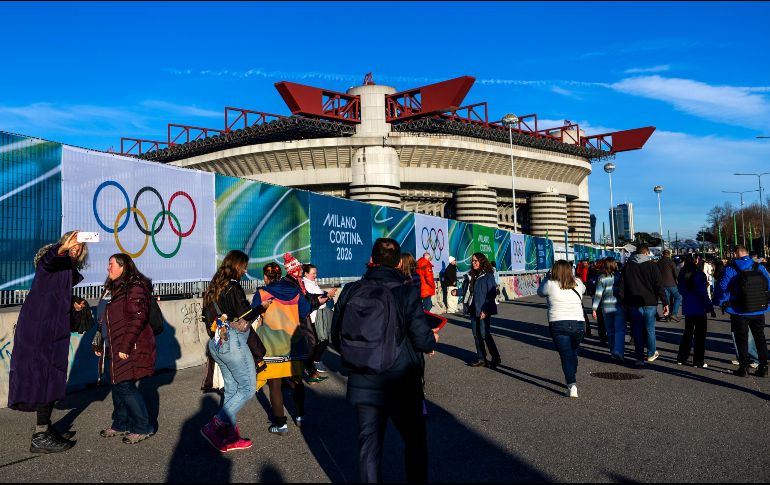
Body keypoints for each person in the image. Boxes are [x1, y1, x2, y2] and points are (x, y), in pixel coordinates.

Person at [331, 238, 438, 483]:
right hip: (401, 382)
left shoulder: (351, 289)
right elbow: (422, 340)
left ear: (372, 260)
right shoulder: (406, 291)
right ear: (400, 263)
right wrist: (431, 339)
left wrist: (360, 355)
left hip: (363, 380)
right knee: (414, 442)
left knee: (369, 447)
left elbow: (336, 338)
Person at [8, 230, 88, 453]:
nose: (77, 248)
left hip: (51, 330)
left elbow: (52, 296)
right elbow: (48, 261)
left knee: (51, 377)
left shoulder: (66, 271)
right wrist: (61, 249)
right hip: (39, 332)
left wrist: (72, 303)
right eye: (73, 244)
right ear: (63, 244)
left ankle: (45, 427)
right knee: (45, 378)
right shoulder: (52, 262)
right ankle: (40, 435)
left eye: (80, 247)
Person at [199, 250, 269, 452]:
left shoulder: (214, 288)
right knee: (248, 387)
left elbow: (208, 319)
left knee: (231, 389)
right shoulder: (233, 287)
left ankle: (230, 437)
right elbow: (244, 316)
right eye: (244, 266)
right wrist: (261, 307)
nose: (246, 270)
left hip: (217, 343)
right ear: (237, 265)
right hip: (233, 342)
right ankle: (214, 426)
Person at [96, 253, 156, 445]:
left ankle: (142, 427)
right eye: (108, 264)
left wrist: (126, 345)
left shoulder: (134, 288)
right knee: (117, 385)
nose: (108, 268)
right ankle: (120, 423)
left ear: (124, 267)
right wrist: (98, 340)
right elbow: (103, 318)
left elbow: (138, 318)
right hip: (112, 344)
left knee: (125, 386)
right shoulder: (113, 289)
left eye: (111, 264)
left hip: (127, 346)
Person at [253, 260, 311, 434]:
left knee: (275, 385)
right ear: (280, 275)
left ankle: (280, 424)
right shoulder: (295, 292)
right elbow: (305, 311)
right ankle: (300, 416)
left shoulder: (262, 293)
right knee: (297, 381)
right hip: (294, 343)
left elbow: (252, 312)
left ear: (265, 276)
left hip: (271, 345)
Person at [713, 245, 769, 377]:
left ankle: (743, 368)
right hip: (758, 309)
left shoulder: (731, 269)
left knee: (741, 339)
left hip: (739, 310)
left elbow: (722, 289)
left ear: (735, 254)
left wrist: (722, 303)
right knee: (760, 338)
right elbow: (768, 284)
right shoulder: (759, 267)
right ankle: (763, 367)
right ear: (747, 254)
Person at [538, 260, 587, 398]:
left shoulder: (550, 284)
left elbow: (540, 292)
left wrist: (547, 277)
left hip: (558, 322)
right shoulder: (577, 282)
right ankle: (572, 373)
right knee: (573, 352)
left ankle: (572, 385)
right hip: (578, 323)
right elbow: (583, 290)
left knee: (566, 356)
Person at [279, 253, 329, 384]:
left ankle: (309, 373)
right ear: (293, 270)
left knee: (308, 345)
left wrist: (317, 299)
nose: (300, 270)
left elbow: (306, 297)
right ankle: (295, 377)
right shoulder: (288, 283)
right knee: (303, 346)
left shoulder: (297, 281)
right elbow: (299, 301)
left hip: (302, 317)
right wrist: (317, 301)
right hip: (295, 320)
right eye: (298, 268)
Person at [617, 244, 670, 367]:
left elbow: (621, 288)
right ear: (646, 253)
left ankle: (639, 358)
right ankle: (651, 353)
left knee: (637, 331)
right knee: (650, 328)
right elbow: (659, 285)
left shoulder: (628, 267)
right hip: (650, 302)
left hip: (633, 303)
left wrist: (624, 302)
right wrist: (665, 303)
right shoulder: (652, 266)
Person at [461, 253, 501, 369]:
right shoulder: (470, 276)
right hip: (473, 309)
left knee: (484, 334)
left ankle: (495, 357)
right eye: (472, 261)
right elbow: (466, 290)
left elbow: (491, 293)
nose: (473, 263)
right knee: (476, 335)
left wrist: (485, 310)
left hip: (483, 309)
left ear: (481, 261)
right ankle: (481, 359)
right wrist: (456, 292)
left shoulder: (488, 276)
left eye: (476, 261)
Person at [676, 254, 715, 368]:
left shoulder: (682, 274)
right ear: (696, 261)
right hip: (700, 308)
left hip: (688, 307)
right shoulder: (699, 274)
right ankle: (698, 361)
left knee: (687, 333)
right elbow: (703, 293)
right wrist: (710, 308)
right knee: (700, 336)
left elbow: (681, 290)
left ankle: (681, 358)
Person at [302, 263, 338, 374]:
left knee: (320, 340)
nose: (315, 275)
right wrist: (327, 296)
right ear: (306, 273)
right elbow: (314, 299)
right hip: (314, 317)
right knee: (323, 340)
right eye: (313, 273)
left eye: (316, 273)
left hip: (320, 315)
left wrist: (327, 294)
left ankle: (312, 363)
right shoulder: (306, 284)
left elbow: (319, 295)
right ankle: (315, 362)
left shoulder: (311, 283)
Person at [592, 258, 624, 361]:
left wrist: (594, 309)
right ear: (613, 265)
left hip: (605, 306)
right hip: (618, 305)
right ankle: (618, 351)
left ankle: (612, 351)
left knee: (610, 330)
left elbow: (598, 295)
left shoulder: (601, 278)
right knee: (619, 330)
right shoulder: (619, 276)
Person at [658, 250, 682, 322]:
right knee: (678, 297)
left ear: (663, 254)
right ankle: (674, 314)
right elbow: (676, 274)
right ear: (669, 255)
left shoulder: (658, 262)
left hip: (662, 285)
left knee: (666, 301)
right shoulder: (671, 262)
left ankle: (667, 316)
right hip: (672, 284)